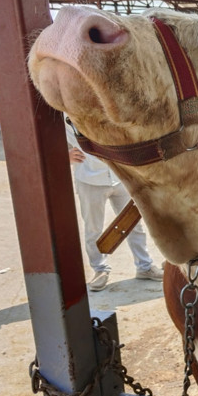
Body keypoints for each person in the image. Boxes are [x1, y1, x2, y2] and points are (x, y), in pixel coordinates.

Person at [66, 119, 163, 291]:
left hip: (119, 176)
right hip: (89, 179)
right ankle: (100, 270)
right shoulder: (63, 115)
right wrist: (65, 156)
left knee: (134, 224)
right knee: (93, 228)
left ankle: (145, 266)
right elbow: (48, 141)